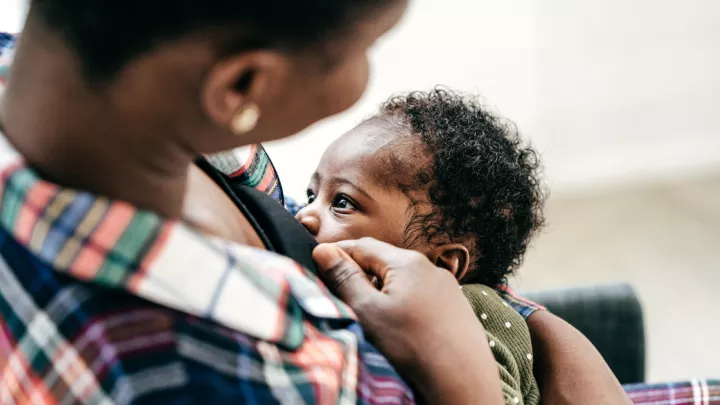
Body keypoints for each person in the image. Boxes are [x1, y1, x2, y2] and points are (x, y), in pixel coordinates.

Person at [0, 1, 508, 404]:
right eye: (367, 47)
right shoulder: (232, 373)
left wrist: (530, 322)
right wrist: (467, 384)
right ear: (242, 84)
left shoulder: (155, 126)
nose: (308, 213)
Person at [296, 88, 545, 405]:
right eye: (311, 195)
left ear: (440, 266)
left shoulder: (473, 317)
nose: (304, 215)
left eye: (342, 202)